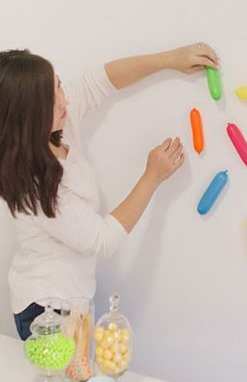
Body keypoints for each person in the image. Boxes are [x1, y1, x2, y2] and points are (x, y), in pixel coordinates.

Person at [0, 43, 219, 339]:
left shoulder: (57, 125)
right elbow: (102, 239)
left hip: (72, 301)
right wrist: (152, 177)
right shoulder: (36, 186)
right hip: (47, 312)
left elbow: (99, 81)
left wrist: (169, 59)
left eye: (60, 86)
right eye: (51, 100)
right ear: (27, 117)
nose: (64, 101)